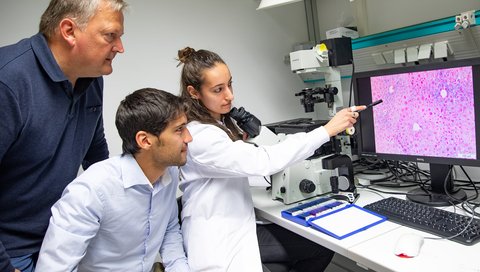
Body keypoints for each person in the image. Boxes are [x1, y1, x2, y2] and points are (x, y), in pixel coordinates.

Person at [175, 46, 366, 272]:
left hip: (236, 226)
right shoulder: (200, 136)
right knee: (316, 246)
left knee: (319, 244)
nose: (229, 95)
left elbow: (238, 168)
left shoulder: (215, 126)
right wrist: (327, 130)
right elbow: (262, 161)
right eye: (218, 90)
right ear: (194, 92)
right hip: (218, 240)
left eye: (229, 84)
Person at [0, 1, 127, 271]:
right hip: (11, 253)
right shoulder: (8, 81)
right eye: (110, 36)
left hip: (56, 242)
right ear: (69, 30)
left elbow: (96, 155)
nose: (119, 47)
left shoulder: (91, 78)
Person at [35, 88, 192, 272]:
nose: (189, 137)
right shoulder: (91, 190)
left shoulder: (168, 172)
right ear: (145, 140)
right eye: (179, 130)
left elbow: (169, 229)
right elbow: (53, 268)